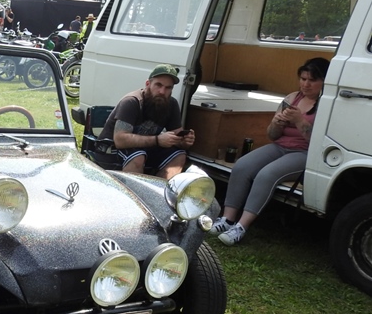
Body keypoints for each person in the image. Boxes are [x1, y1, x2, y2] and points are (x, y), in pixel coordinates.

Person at [210, 57, 331, 245]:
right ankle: (227, 219)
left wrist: (299, 121)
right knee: (242, 166)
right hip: (280, 146)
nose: (306, 84)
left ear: (324, 81)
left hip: (305, 153)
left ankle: (241, 226)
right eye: (303, 79)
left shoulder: (327, 105)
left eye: (312, 80)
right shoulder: (292, 98)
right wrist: (276, 123)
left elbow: (319, 144)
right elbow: (272, 135)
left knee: (267, 175)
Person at [98, 64, 194, 179]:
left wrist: (184, 141)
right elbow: (120, 139)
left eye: (168, 88)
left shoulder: (171, 104)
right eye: (158, 85)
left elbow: (177, 134)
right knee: (138, 157)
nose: (162, 91)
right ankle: (131, 190)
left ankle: (159, 188)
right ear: (148, 84)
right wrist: (157, 140)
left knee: (179, 156)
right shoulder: (131, 102)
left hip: (145, 149)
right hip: (110, 148)